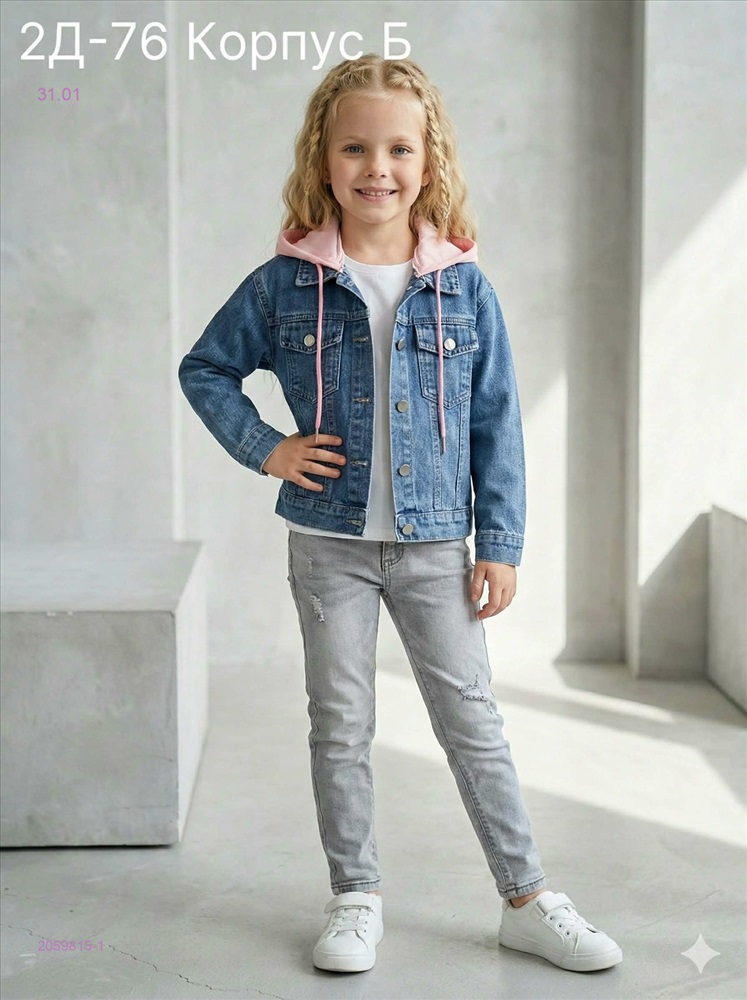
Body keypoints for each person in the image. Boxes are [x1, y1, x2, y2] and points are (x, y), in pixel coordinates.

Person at [178, 53, 623, 977]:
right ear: (323, 158)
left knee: (472, 722)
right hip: (327, 545)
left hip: (435, 546)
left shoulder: (463, 287)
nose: (375, 167)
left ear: (428, 161)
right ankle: (355, 897)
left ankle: (527, 899)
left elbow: (496, 421)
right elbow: (206, 368)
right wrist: (268, 448)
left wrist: (500, 543)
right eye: (354, 148)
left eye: (397, 149)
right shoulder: (283, 284)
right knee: (339, 723)